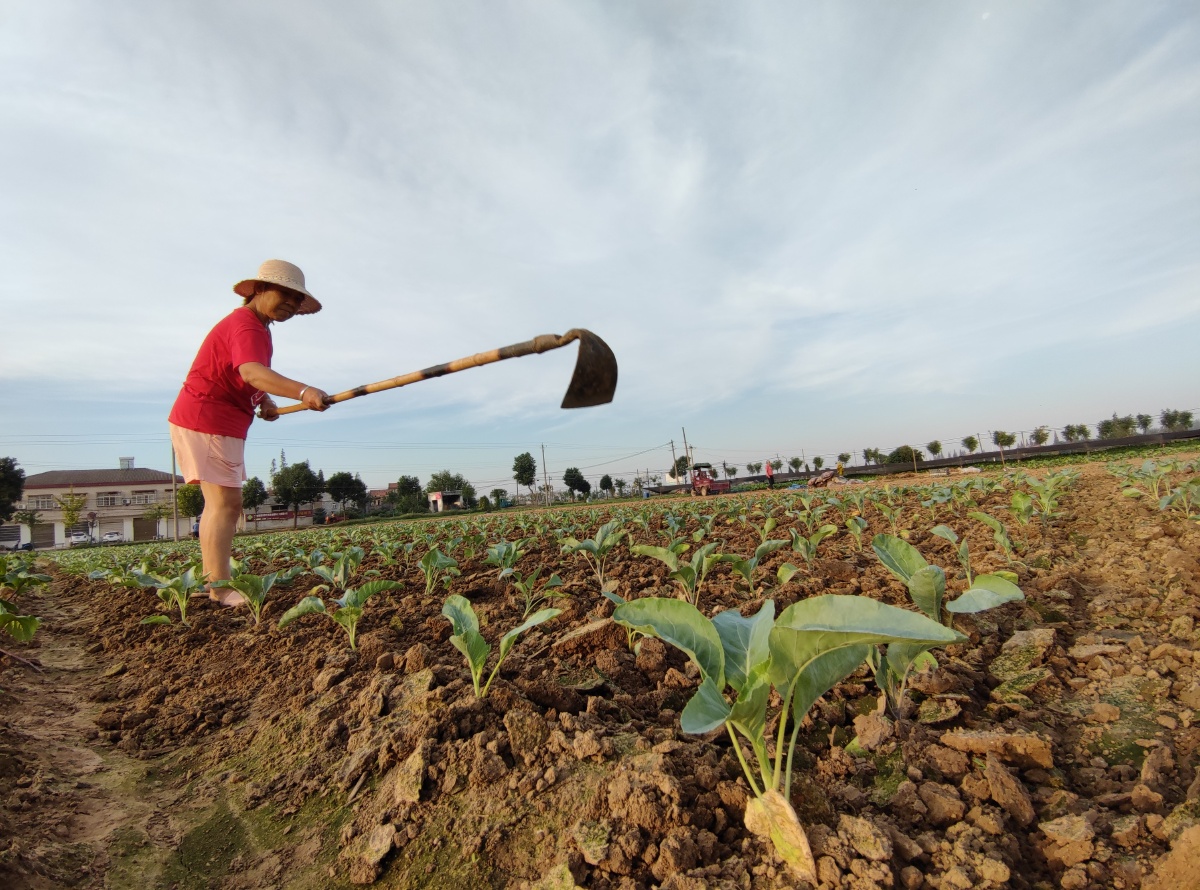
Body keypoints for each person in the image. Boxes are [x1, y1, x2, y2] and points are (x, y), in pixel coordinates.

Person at [168, 260, 331, 605]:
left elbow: (245, 377)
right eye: (285, 294)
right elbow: (252, 372)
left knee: (220, 504)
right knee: (225, 504)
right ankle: (220, 587)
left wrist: (265, 400)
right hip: (208, 418)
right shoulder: (247, 325)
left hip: (210, 419)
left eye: (296, 299)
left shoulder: (256, 327)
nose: (291, 303)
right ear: (259, 289)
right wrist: (303, 392)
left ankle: (213, 581)